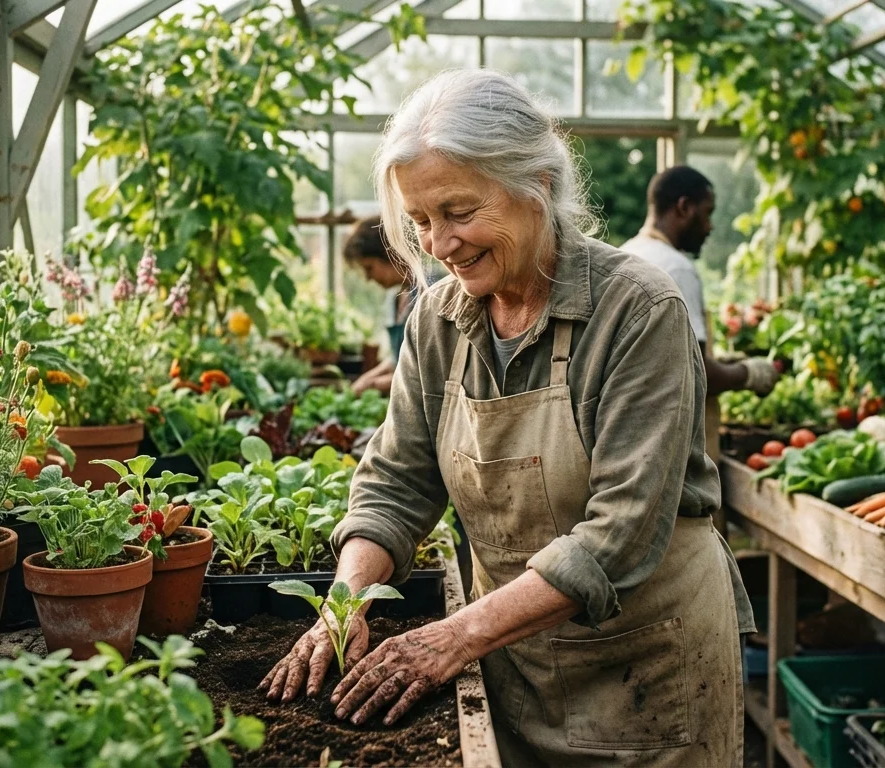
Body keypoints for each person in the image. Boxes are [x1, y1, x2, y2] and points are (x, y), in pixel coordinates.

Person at [260, 69, 755, 767]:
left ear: (538, 188)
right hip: (512, 659)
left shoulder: (638, 311)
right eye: (420, 221)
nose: (438, 244)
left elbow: (621, 532)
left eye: (458, 212)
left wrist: (451, 638)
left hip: (650, 672)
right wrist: (344, 609)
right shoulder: (438, 318)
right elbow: (397, 482)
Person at [620, 166, 779, 396]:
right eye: (707, 213)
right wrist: (749, 374)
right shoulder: (677, 268)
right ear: (684, 207)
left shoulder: (626, 255)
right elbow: (694, 372)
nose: (710, 226)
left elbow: (656, 358)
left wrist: (724, 363)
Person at [344, 215, 416, 395]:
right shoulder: (398, 298)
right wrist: (366, 379)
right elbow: (399, 359)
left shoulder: (429, 296)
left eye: (369, 268)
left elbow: (426, 374)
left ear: (390, 254)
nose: (368, 278)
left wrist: (374, 385)